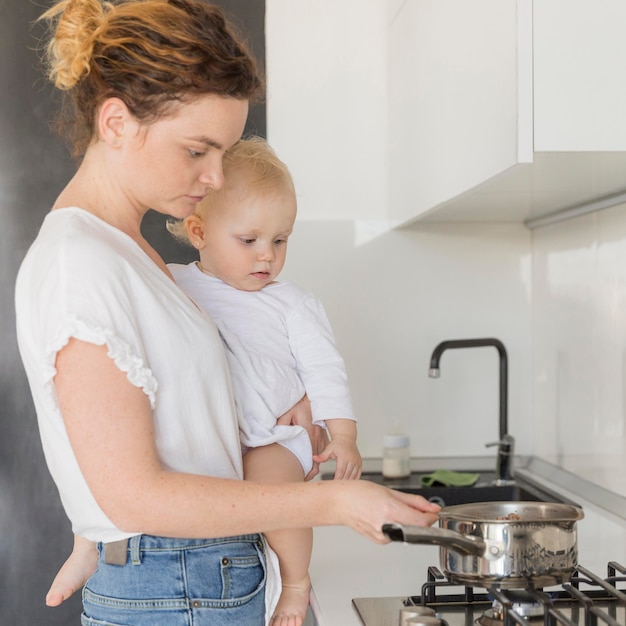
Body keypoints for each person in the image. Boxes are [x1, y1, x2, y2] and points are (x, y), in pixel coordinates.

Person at [15, 1, 441, 625]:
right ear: (116, 124)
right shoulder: (81, 265)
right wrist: (332, 502)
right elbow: (133, 494)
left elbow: (189, 409)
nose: (216, 177)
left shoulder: (131, 252)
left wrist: (287, 397)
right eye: (197, 151)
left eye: (225, 152)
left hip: (201, 574)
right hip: (176, 579)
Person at [48, 137, 364, 625]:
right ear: (199, 231)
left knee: (277, 495)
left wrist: (341, 433)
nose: (267, 257)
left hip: (268, 439)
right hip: (206, 443)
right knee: (111, 456)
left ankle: (296, 582)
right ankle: (86, 544)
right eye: (250, 240)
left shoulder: (292, 304)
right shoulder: (170, 281)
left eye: (280, 241)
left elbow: (326, 370)